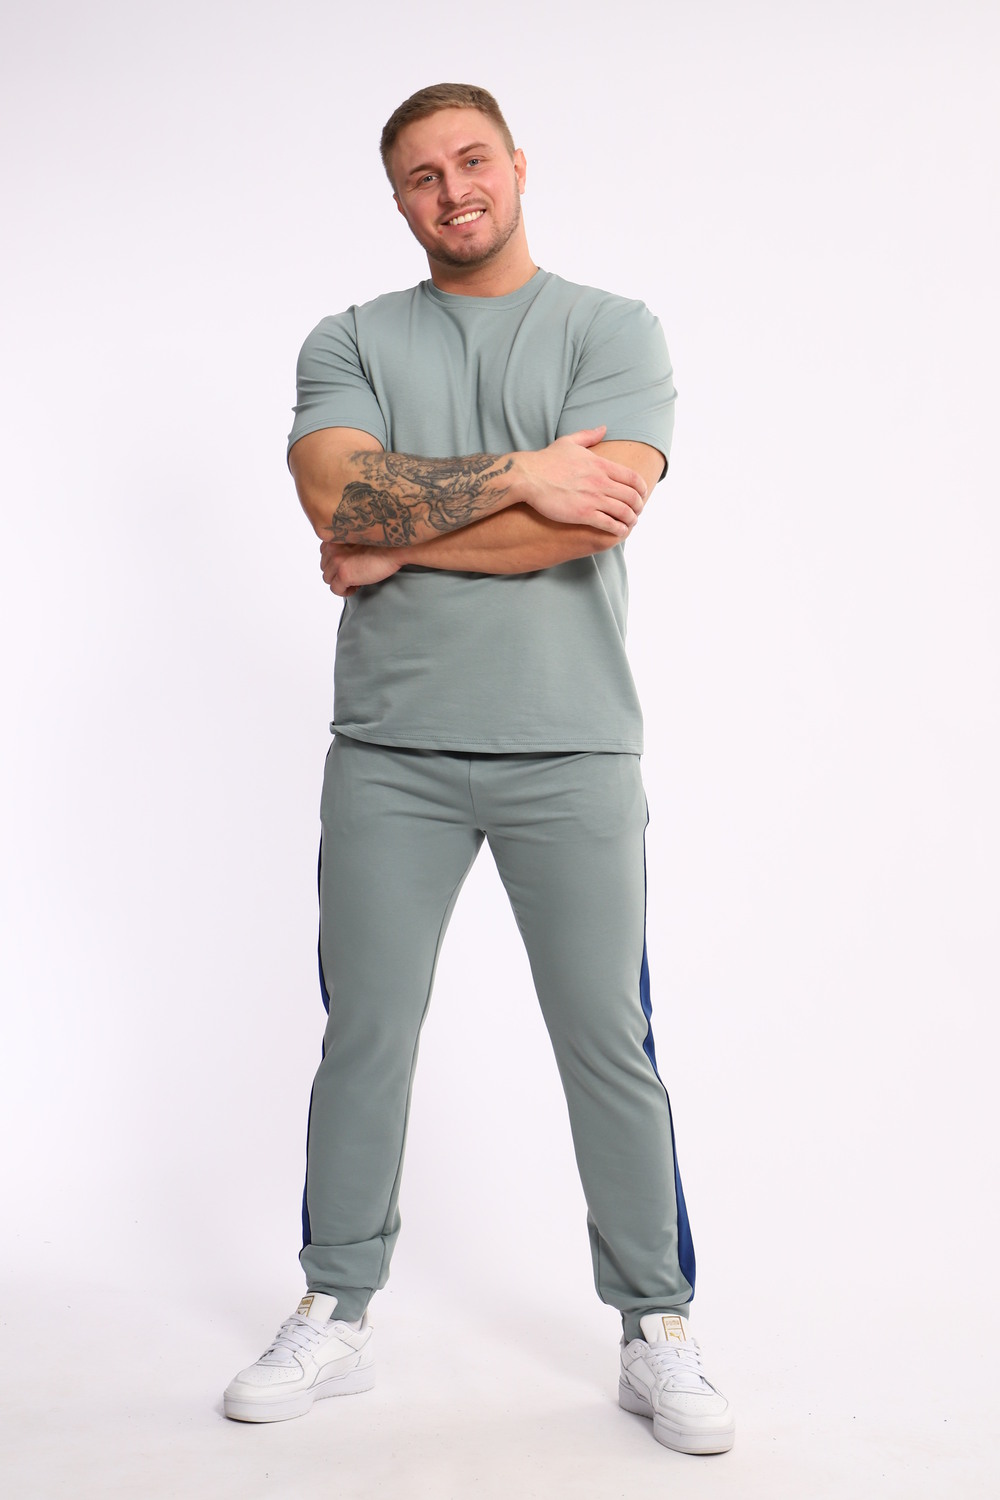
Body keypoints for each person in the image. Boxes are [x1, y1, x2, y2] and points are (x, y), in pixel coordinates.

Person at [223, 82, 734, 1456]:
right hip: (390, 753)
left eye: (470, 162)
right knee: (366, 1036)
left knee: (608, 1041)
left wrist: (399, 535)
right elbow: (339, 494)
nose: (452, 192)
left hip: (573, 741)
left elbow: (593, 519)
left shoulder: (611, 328)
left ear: (516, 164)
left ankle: (656, 1327)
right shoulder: (350, 338)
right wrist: (519, 474)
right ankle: (335, 1308)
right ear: (398, 198)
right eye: (420, 175)